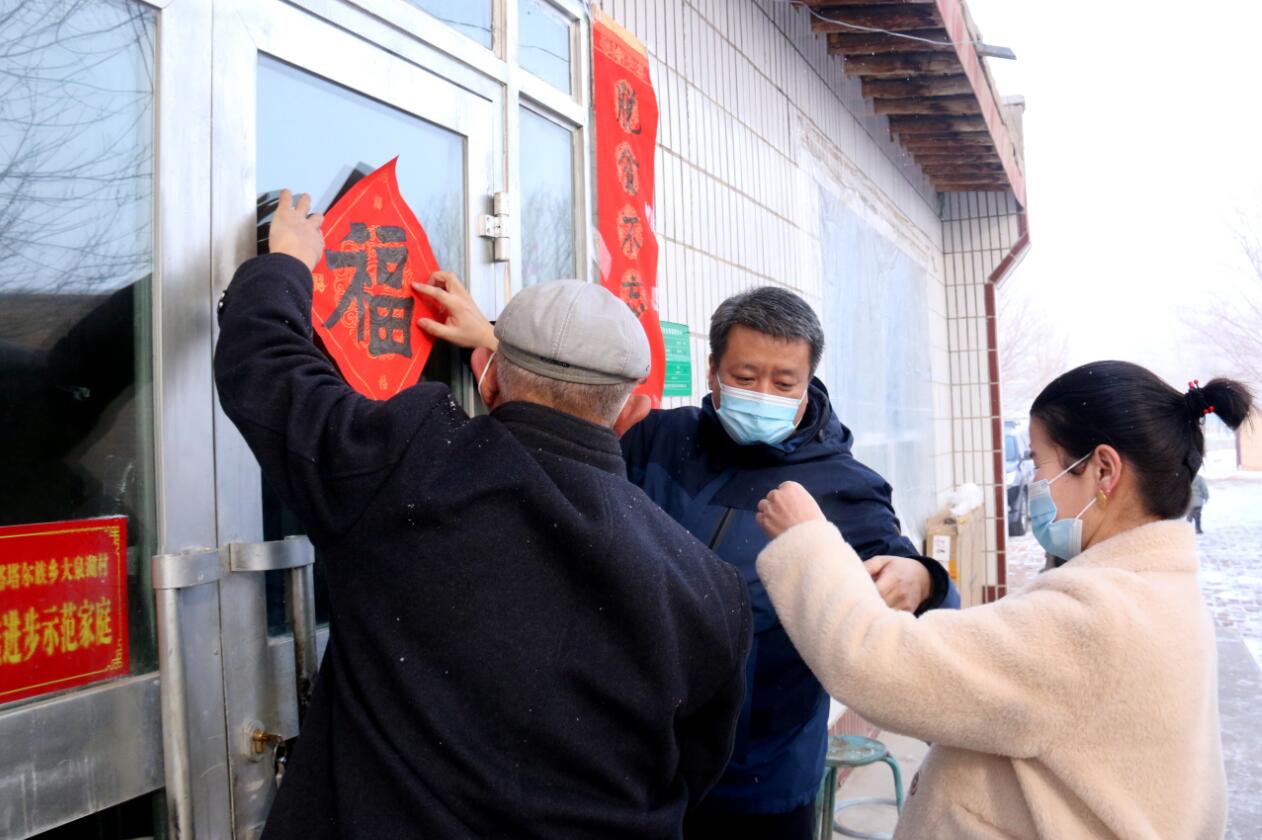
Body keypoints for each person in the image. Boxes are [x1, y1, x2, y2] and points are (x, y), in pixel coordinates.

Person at [215, 191, 753, 839]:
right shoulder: (708, 590)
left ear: (488, 380)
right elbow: (692, 768)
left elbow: (268, 370)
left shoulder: (408, 467)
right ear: (630, 409)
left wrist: (285, 265)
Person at [754, 361, 1249, 839]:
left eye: (1039, 462)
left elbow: (877, 663)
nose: (1032, 484)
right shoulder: (1160, 590)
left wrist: (808, 542)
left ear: (1102, 470)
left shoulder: (1097, 618)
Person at [619, 287, 957, 838]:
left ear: (807, 385)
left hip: (761, 779)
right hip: (641, 761)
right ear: (713, 371)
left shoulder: (844, 485)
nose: (763, 395)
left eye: (783, 383)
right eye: (746, 377)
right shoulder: (657, 440)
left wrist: (922, 579)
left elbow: (908, 580)